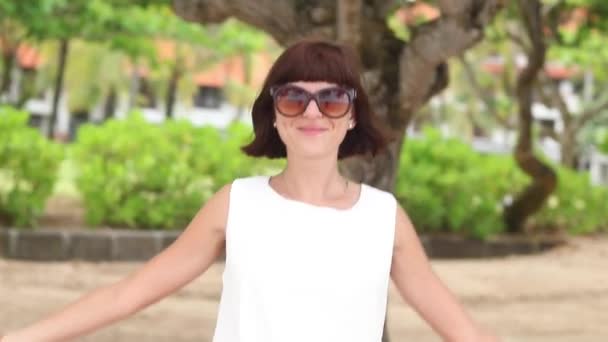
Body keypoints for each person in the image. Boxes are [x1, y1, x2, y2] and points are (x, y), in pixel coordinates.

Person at [0, 40, 499, 342]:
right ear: (273, 116)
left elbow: (463, 331)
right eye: (293, 98)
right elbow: (129, 293)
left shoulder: (384, 218)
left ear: (351, 116)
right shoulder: (237, 204)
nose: (310, 112)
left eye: (330, 99)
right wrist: (22, 337)